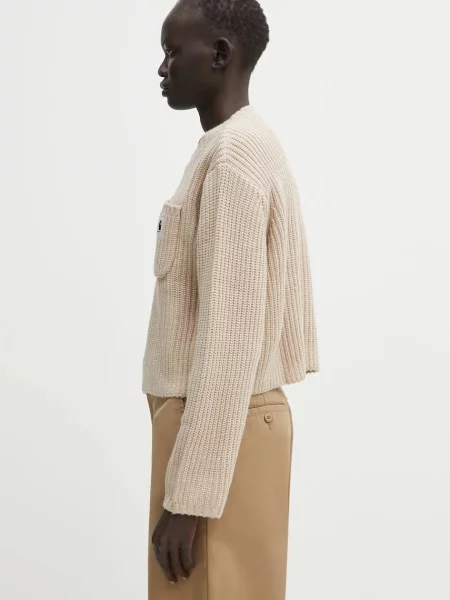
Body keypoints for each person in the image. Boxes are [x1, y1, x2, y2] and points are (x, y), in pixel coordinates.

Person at [142, 0, 319, 597]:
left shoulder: (232, 159)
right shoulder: (240, 145)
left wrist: (188, 497)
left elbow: (230, 333)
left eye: (173, 52)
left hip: (217, 436)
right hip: (230, 430)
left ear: (220, 54)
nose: (162, 68)